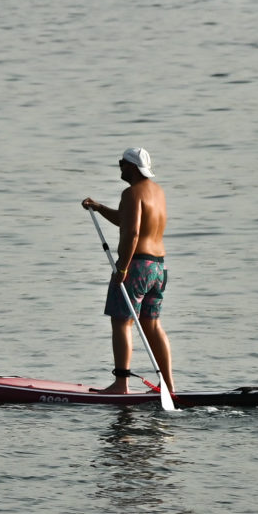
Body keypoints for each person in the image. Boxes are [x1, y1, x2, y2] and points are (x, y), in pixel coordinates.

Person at [83, 146, 172, 395]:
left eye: (122, 162)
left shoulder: (131, 193)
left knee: (121, 322)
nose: (120, 166)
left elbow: (132, 233)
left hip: (137, 266)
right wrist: (99, 208)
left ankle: (121, 385)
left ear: (132, 166)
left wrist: (122, 267)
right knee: (153, 325)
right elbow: (126, 219)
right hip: (158, 267)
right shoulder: (158, 192)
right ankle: (166, 386)